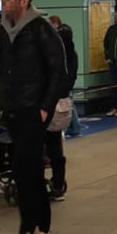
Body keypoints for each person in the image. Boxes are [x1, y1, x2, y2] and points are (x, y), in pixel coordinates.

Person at [0, 0, 68, 234]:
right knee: (31, 170)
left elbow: (58, 71)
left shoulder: (41, 29)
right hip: (13, 109)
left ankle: (27, 232)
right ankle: (43, 230)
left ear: (25, 1)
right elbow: (1, 70)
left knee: (23, 169)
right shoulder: (4, 31)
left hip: (33, 110)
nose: (5, 1)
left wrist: (44, 107)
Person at [46, 15, 78, 200]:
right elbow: (70, 77)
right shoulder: (71, 54)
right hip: (62, 101)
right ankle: (58, 185)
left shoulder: (52, 54)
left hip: (46, 102)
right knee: (55, 145)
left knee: (41, 143)